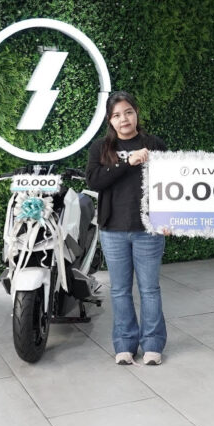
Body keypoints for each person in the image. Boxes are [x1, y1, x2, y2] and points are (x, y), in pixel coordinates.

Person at [86, 90, 167, 366]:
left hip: (149, 229)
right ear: (110, 120)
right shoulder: (101, 148)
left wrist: (169, 218)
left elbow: (170, 185)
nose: (124, 119)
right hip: (113, 230)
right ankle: (124, 344)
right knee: (120, 290)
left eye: (128, 112)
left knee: (150, 289)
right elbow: (95, 181)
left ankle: (153, 344)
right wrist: (126, 162)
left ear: (136, 113)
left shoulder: (154, 145)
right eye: (117, 115)